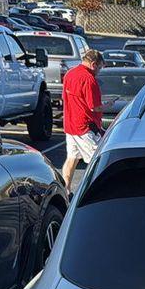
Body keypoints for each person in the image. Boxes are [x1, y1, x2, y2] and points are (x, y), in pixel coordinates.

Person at [61, 49, 113, 190]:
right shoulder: (89, 80)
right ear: (94, 64)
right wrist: (108, 105)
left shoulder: (70, 74)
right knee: (97, 161)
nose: (99, 71)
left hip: (70, 125)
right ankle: (92, 192)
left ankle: (66, 190)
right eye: (100, 67)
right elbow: (94, 107)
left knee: (72, 158)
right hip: (85, 128)